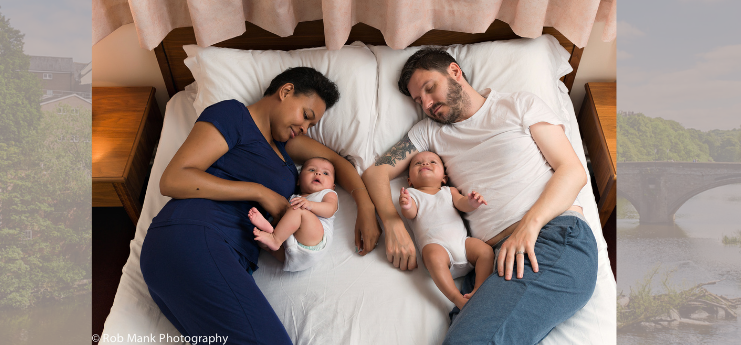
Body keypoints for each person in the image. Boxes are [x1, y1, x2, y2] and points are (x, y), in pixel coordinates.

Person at [362, 49, 598, 344]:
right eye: (418, 100)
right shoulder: (428, 132)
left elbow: (573, 171)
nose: (427, 104)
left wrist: (529, 226)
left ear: (455, 71)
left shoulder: (518, 105)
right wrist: (393, 223)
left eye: (429, 88)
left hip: (551, 238)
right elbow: (375, 173)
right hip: (493, 260)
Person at [142, 67, 378, 344]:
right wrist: (259, 192)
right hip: (195, 234)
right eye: (306, 116)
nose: (304, 128)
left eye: (311, 126)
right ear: (286, 91)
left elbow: (337, 163)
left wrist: (366, 207)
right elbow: (173, 179)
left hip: (221, 254)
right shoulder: (234, 116)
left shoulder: (286, 147)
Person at [398, 151, 493, 310]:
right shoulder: (412, 194)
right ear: (410, 181)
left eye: (432, 162)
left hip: (463, 244)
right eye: (418, 163)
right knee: (432, 256)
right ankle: (457, 298)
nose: (425, 164)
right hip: (438, 248)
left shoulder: (449, 191)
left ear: (444, 178)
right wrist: (406, 205)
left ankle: (479, 288)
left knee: (486, 251)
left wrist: (472, 203)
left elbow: (462, 204)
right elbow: (411, 213)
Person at [249, 156, 339, 272]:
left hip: (315, 240)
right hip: (289, 254)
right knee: (261, 241)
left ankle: (274, 238)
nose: (318, 173)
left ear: (333, 186)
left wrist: (310, 205)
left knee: (299, 210)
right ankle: (269, 231)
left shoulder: (328, 193)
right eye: (312, 170)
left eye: (325, 173)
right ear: (298, 180)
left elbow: (330, 209)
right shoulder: (293, 198)